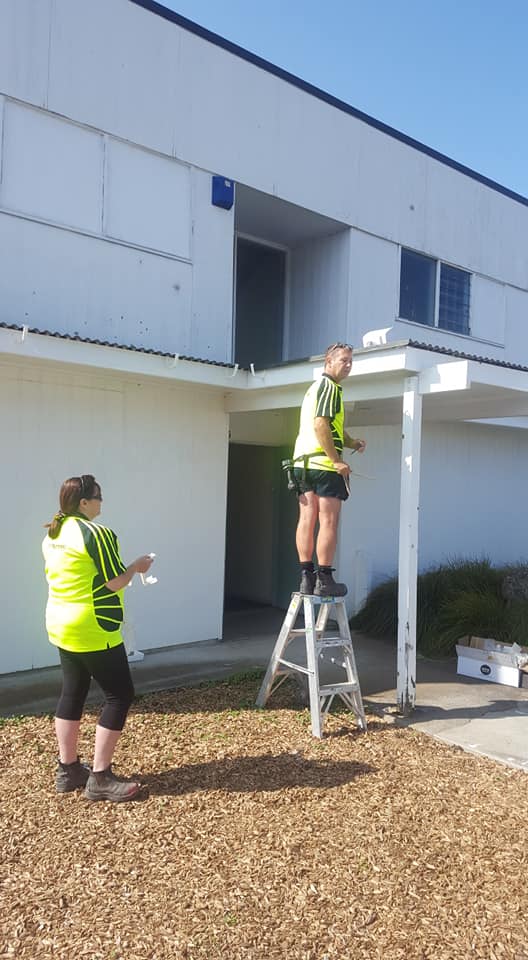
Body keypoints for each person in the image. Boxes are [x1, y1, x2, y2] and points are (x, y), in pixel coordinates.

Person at [42, 474, 154, 802]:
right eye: (98, 497)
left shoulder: (53, 533)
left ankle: (68, 770)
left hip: (61, 624)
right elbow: (114, 581)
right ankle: (100, 778)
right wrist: (137, 566)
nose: (102, 503)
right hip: (94, 626)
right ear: (84, 502)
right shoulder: (96, 533)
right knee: (119, 695)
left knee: (73, 692)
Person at [292, 342, 366, 597]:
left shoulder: (314, 389)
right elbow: (321, 424)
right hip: (323, 465)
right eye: (343, 360)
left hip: (302, 463)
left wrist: (352, 443)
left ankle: (306, 578)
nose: (348, 365)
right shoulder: (330, 387)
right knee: (328, 520)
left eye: (350, 361)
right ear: (329, 361)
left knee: (306, 518)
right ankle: (324, 579)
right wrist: (336, 460)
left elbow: (332, 427)